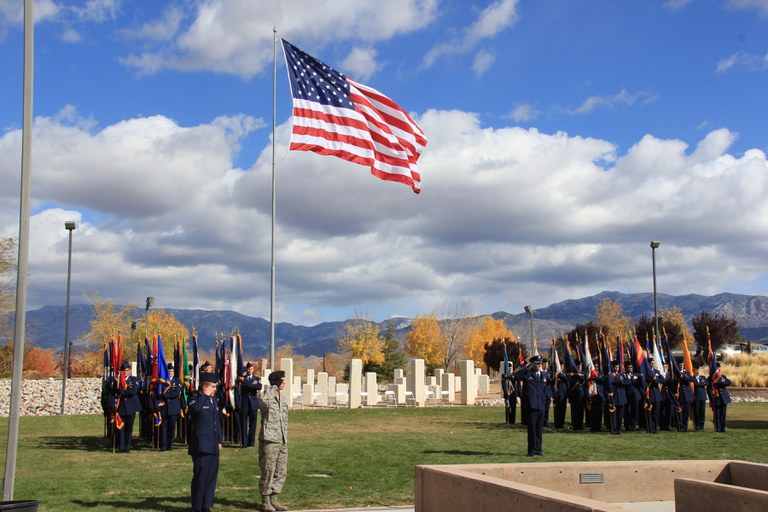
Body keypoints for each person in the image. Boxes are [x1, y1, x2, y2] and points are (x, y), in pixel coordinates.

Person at [188, 372, 222, 512]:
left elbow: (217, 422)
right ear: (205, 387)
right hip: (201, 445)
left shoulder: (213, 400)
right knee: (200, 477)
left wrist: (219, 440)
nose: (215, 389)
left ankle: (206, 505)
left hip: (213, 444)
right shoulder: (195, 399)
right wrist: (204, 395)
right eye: (213, 387)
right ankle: (197, 507)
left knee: (211, 477)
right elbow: (195, 410)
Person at [259, 370, 289, 512]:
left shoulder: (282, 398)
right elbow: (262, 403)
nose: (285, 383)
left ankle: (274, 499)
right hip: (270, 439)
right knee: (268, 470)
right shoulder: (267, 396)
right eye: (282, 381)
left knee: (281, 471)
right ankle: (265, 501)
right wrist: (272, 387)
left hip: (282, 439)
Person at [513, 355, 548, 457]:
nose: (539, 365)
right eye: (537, 364)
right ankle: (531, 450)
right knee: (532, 430)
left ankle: (538, 449)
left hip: (541, 406)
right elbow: (516, 376)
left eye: (539, 364)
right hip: (531, 406)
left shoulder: (543, 375)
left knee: (539, 430)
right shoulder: (528, 374)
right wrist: (527, 367)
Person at [116, 361, 141, 453]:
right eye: (123, 371)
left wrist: (122, 392)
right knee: (121, 428)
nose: (125, 372)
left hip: (131, 407)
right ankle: (121, 447)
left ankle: (127, 447)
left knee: (129, 428)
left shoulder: (134, 380)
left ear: (129, 371)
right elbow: (116, 391)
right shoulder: (118, 381)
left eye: (126, 370)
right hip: (122, 407)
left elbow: (133, 391)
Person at [160, 363, 183, 451]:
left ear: (174, 372)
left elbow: (176, 393)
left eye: (171, 371)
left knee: (171, 427)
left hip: (173, 407)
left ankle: (170, 446)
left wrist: (165, 395)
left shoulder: (177, 381)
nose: (170, 372)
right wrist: (165, 395)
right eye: (169, 371)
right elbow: (160, 392)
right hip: (164, 407)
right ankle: (163, 446)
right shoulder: (163, 380)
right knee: (164, 427)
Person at [240, 362, 262, 448]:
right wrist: (251, 384)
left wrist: (248, 383)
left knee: (253, 424)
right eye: (248, 369)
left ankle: (251, 442)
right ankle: (244, 442)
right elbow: (245, 386)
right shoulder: (243, 379)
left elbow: (259, 387)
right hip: (245, 403)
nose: (249, 370)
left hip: (253, 404)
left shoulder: (257, 378)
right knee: (244, 424)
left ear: (253, 370)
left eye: (251, 369)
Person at [709, 366, 732, 433]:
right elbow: (711, 387)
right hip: (717, 398)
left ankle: (723, 428)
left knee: (723, 413)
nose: (718, 371)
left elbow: (729, 382)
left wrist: (722, 382)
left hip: (724, 398)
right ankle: (718, 428)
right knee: (717, 414)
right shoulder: (712, 378)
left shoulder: (723, 377)